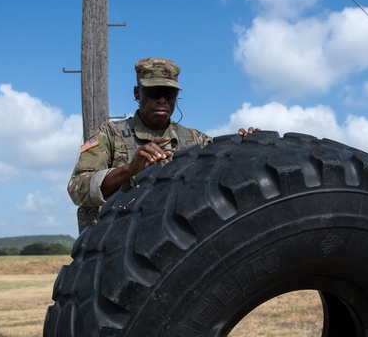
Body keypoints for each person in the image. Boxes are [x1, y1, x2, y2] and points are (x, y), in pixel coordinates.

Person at [68, 57, 254, 225]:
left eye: (169, 94)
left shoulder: (196, 140)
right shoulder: (109, 134)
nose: (162, 100)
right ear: (137, 93)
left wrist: (247, 145)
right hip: (118, 240)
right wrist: (129, 171)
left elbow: (227, 167)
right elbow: (77, 188)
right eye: (155, 92)